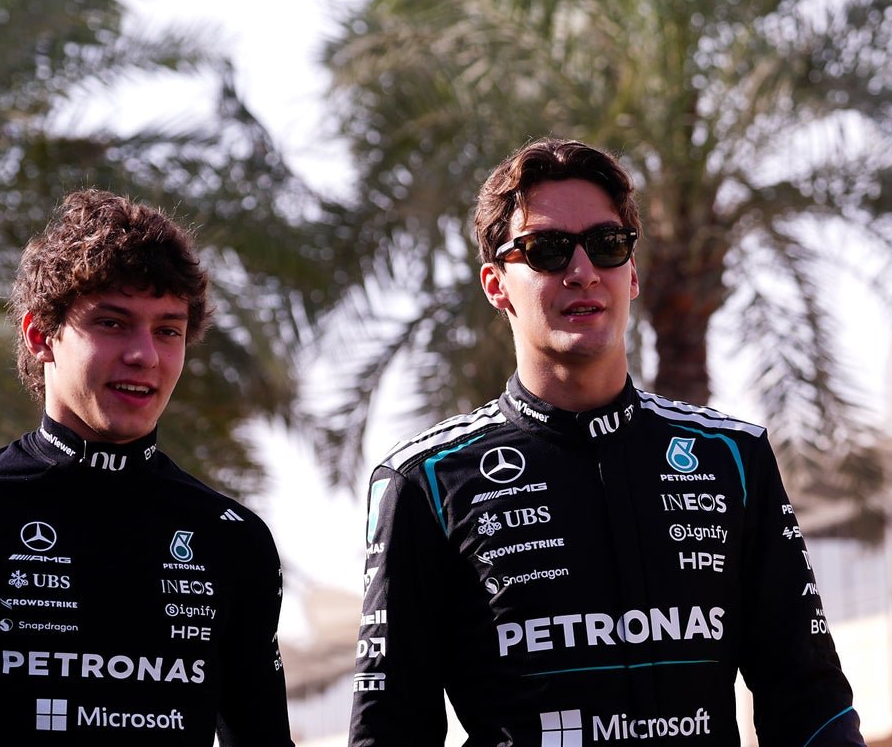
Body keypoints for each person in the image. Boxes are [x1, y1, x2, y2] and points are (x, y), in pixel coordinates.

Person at [348, 138, 865, 746]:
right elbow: (389, 731)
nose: (582, 270)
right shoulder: (425, 481)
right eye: (546, 249)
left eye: (607, 244)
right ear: (496, 284)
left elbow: (811, 701)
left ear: (633, 272)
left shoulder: (734, 459)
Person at [0, 189, 293, 746]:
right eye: (112, 323)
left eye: (167, 330)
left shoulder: (233, 539)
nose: (145, 355)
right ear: (40, 335)